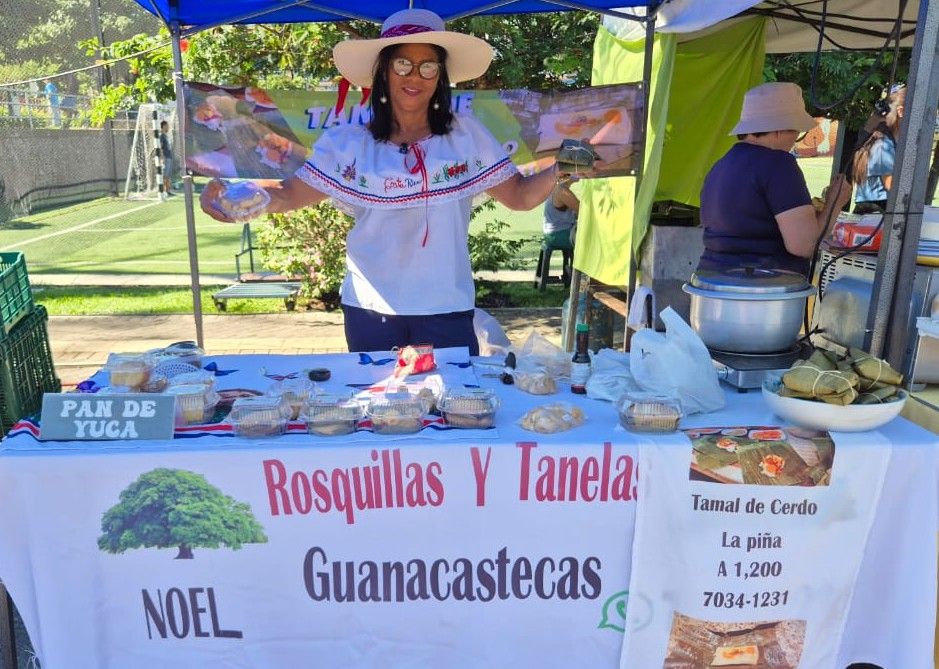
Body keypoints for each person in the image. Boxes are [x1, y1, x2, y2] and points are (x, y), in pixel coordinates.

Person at [201, 9, 564, 355]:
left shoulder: (466, 135)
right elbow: (289, 193)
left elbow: (519, 196)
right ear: (384, 71)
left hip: (445, 304)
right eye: (403, 64)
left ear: (440, 76)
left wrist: (563, 168)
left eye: (428, 66)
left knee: (449, 408)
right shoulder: (349, 141)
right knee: (380, 410)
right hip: (370, 308)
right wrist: (235, 197)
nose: (415, 76)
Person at [697, 82, 851, 277]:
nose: (795, 140)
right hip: (762, 287)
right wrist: (834, 203)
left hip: (712, 280)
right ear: (779, 129)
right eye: (797, 133)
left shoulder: (721, 166)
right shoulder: (778, 164)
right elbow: (804, 245)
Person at [852, 83, 905, 214]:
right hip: (875, 211)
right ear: (901, 111)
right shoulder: (883, 144)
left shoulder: (887, 141)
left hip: (875, 209)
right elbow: (890, 185)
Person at [160, 120, 175, 196]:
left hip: (169, 157)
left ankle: (168, 190)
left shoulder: (165, 136)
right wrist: (162, 158)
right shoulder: (161, 136)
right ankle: (164, 191)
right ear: (163, 126)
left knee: (168, 175)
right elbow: (160, 147)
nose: (168, 127)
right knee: (165, 175)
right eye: (167, 126)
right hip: (166, 158)